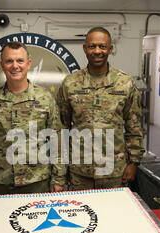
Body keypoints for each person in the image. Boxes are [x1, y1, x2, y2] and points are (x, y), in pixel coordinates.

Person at [0, 41, 66, 195]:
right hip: (2, 182)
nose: (15, 66)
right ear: (2, 65)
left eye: (20, 60)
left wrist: (59, 178)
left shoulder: (45, 98)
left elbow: (57, 141)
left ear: (28, 64)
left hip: (37, 181)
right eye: (9, 61)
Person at [56, 27, 145, 190]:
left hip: (115, 171)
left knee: (113, 214)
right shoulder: (70, 83)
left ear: (110, 49)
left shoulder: (125, 83)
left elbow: (134, 127)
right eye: (92, 46)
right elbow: (61, 128)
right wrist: (62, 169)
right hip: (79, 171)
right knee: (81, 214)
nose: (97, 51)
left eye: (103, 46)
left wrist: (133, 163)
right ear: (85, 48)